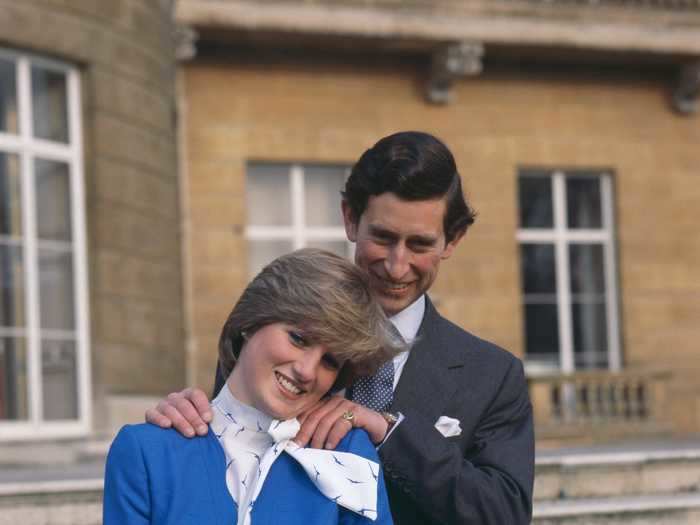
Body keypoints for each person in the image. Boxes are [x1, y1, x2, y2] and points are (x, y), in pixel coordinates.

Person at [146, 131, 535, 524]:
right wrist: (186, 422)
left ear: (453, 240)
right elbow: (231, 461)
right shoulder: (272, 339)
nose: (397, 266)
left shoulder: (493, 375)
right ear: (350, 218)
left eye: (419, 245)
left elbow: (505, 514)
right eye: (383, 238)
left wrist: (390, 432)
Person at [105, 249, 403, 525]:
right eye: (298, 338)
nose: (306, 371)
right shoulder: (147, 451)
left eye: (329, 361)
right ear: (250, 322)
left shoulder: (347, 452)